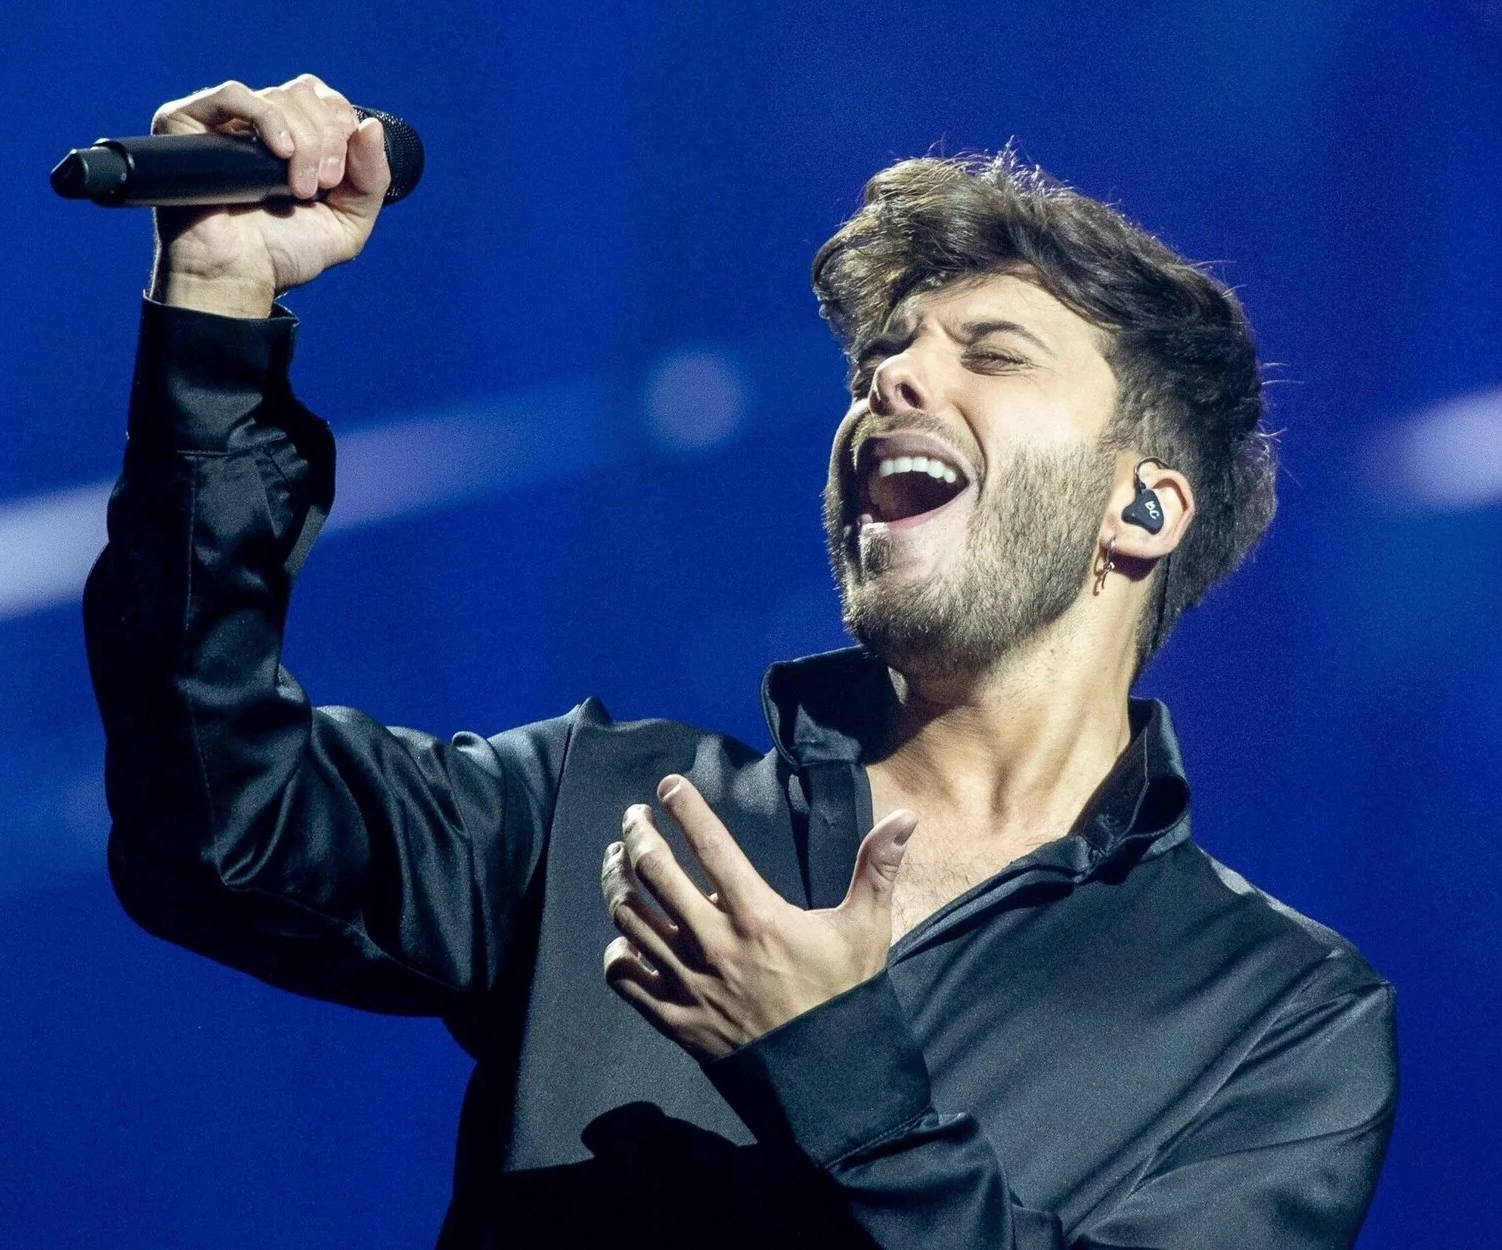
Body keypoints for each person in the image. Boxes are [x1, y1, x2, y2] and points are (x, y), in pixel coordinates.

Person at [84, 73, 1398, 1249]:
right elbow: (219, 822)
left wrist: (827, 1062)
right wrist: (217, 310)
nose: (892, 382)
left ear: (1144, 508)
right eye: (882, 357)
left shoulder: (1276, 1016)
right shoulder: (616, 813)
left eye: (992, 354)